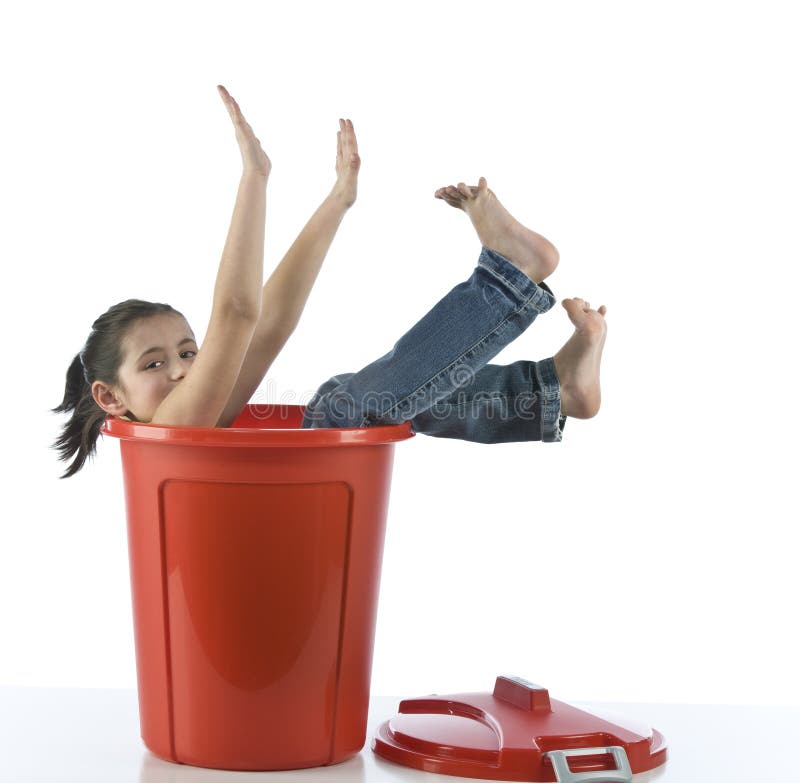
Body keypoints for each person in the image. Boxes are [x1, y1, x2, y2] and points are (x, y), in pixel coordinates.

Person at [51, 85, 607, 479]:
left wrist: (337, 201)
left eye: (189, 351)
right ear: (110, 397)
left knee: (341, 398)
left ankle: (550, 392)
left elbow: (267, 323)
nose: (180, 369)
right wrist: (254, 178)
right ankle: (507, 282)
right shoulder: (174, 424)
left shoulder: (196, 413)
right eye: (153, 363)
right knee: (344, 411)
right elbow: (237, 314)